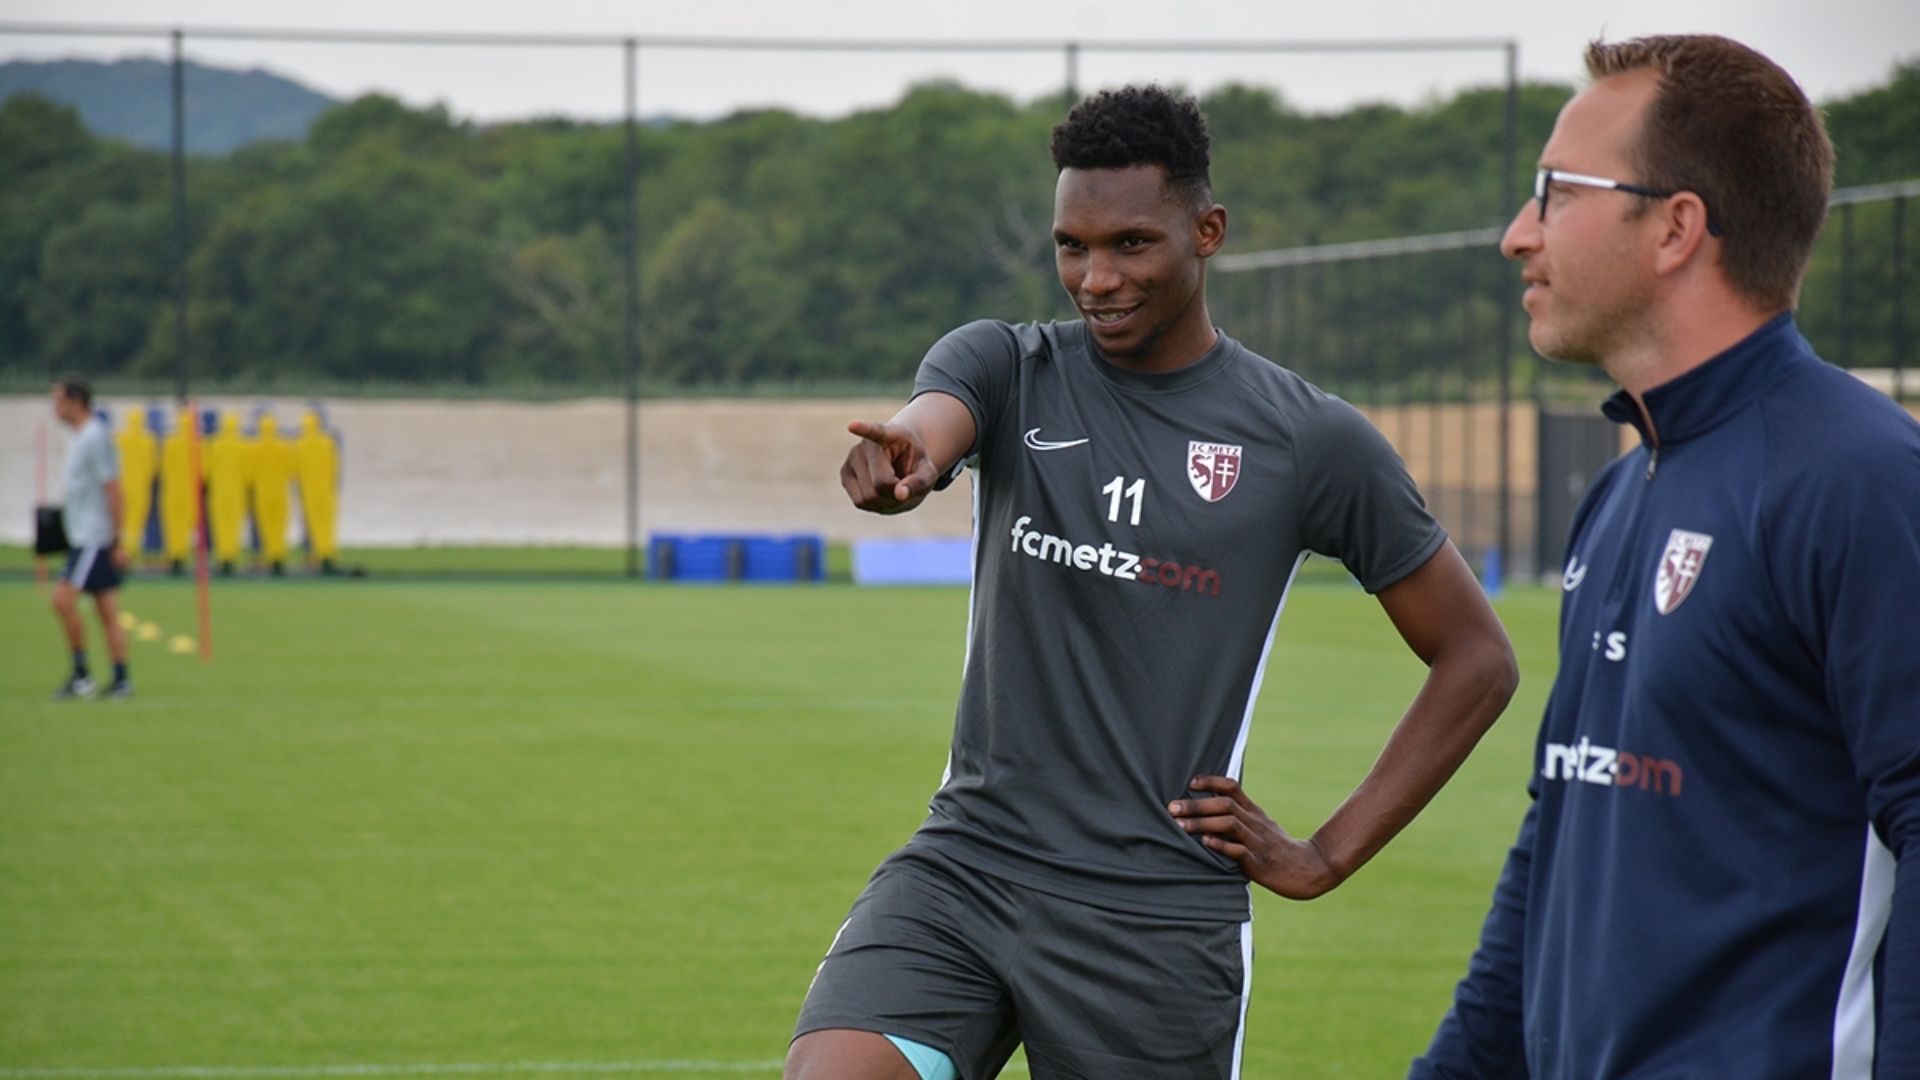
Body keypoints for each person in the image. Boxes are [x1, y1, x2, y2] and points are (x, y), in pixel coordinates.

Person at [788, 85, 1519, 1080]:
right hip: (969, 869)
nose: (1095, 279)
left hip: (1155, 921)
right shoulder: (1008, 366)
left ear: (1206, 233)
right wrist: (906, 461)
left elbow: (1476, 658)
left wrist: (1325, 854)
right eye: (1072, 247)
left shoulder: (1309, 441)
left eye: (1131, 244)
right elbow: (932, 423)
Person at [1410, 35, 1920, 1078]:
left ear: (1677, 226)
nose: (1517, 234)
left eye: (1556, 192)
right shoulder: (1620, 490)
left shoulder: (1858, 479)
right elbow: (1561, 829)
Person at [49, 376, 133, 700]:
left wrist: (117, 541)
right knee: (107, 609)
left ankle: (82, 676)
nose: (55, 408)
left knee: (62, 600)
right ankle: (121, 681)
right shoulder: (79, 437)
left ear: (76, 402)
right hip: (84, 537)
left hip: (92, 539)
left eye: (59, 401)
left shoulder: (94, 438)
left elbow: (113, 490)